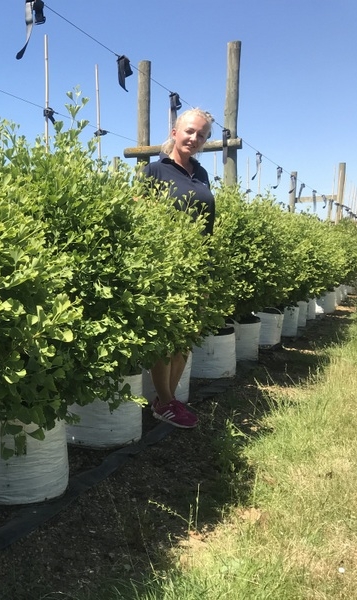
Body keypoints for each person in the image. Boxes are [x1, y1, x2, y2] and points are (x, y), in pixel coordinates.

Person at [142, 108, 215, 429]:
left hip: (198, 265)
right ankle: (166, 400)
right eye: (189, 131)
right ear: (175, 133)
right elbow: (140, 217)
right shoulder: (154, 170)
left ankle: (166, 402)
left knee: (186, 335)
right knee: (165, 335)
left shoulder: (201, 174)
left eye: (201, 135)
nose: (194, 138)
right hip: (165, 265)